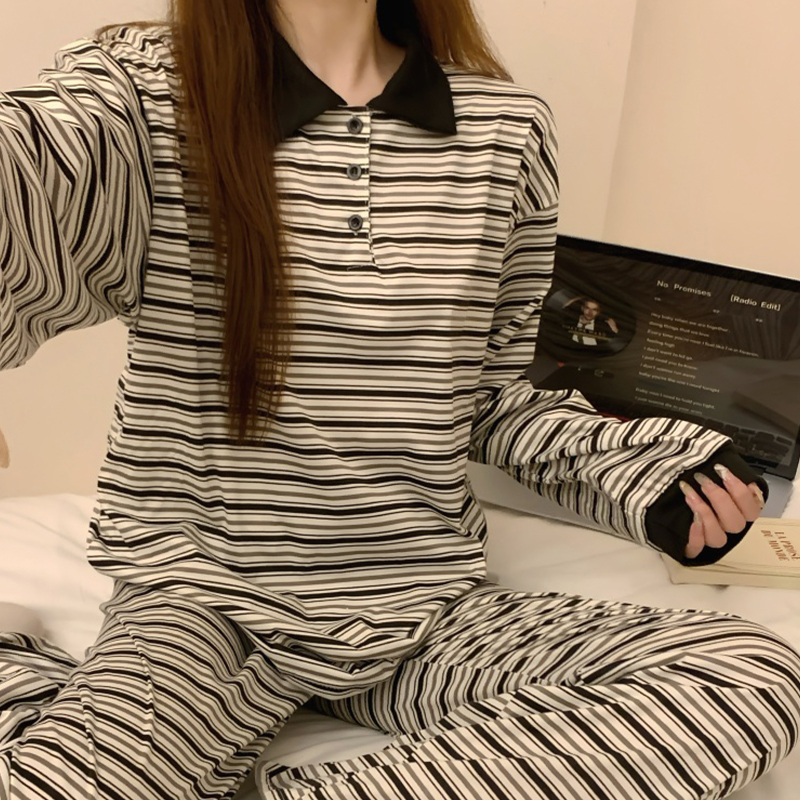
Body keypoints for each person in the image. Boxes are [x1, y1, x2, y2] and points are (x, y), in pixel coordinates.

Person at [1, 1, 798, 798]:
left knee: (746, 674)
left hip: (419, 606)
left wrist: (651, 470)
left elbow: (487, 397)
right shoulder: (142, 96)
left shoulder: (505, 130)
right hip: (207, 603)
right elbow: (28, 167)